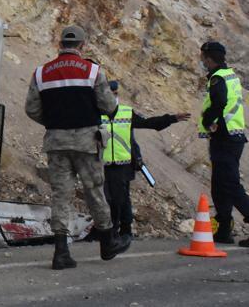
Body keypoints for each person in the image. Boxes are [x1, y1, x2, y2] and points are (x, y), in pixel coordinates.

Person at [25, 25, 130, 270]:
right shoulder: (93, 71)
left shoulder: (41, 73)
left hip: (56, 142)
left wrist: (53, 122)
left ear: (60, 44)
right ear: (82, 46)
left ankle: (61, 252)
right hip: (86, 142)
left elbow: (31, 109)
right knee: (94, 190)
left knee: (61, 195)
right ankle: (107, 243)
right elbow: (108, 106)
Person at [102, 80, 190, 242]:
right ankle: (117, 230)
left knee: (119, 198)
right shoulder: (96, 114)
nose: (113, 97)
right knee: (113, 197)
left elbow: (149, 123)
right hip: (104, 164)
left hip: (123, 164)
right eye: (110, 94)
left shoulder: (126, 112)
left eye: (115, 94)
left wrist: (171, 118)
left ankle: (121, 230)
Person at [198, 41, 249, 246]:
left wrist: (207, 121)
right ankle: (223, 229)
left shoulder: (218, 78)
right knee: (219, 184)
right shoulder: (230, 75)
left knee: (229, 183)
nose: (201, 60)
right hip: (232, 136)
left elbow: (218, 103)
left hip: (226, 137)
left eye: (202, 57)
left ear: (208, 58)